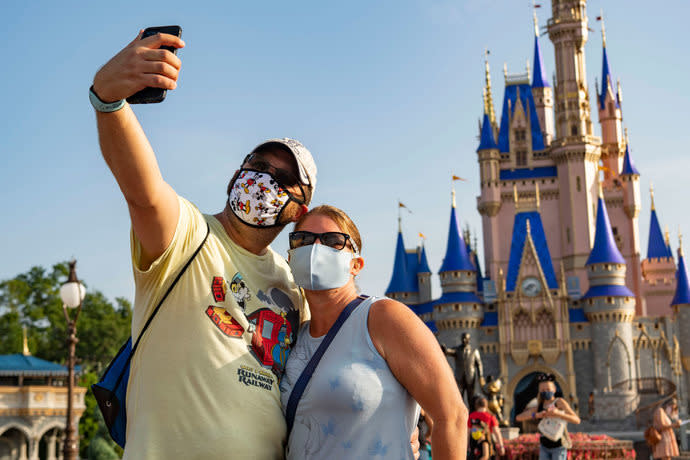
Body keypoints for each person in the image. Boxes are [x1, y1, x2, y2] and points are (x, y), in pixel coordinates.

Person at [91, 30, 321, 459]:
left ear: (300, 211)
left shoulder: (294, 288)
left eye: (283, 178)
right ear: (238, 172)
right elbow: (143, 189)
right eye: (257, 164)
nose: (263, 178)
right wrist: (109, 102)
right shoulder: (187, 235)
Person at [280, 205, 468, 459]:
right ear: (290, 257)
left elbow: (452, 416)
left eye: (332, 241)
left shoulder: (383, 317)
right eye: (302, 240)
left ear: (356, 264)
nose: (315, 249)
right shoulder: (293, 337)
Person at [515, 373, 580, 460]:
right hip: (544, 446)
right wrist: (536, 415)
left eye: (548, 389)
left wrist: (559, 414)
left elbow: (577, 420)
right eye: (543, 390)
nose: (546, 392)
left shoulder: (559, 402)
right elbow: (519, 417)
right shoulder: (539, 406)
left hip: (558, 446)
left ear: (554, 389)